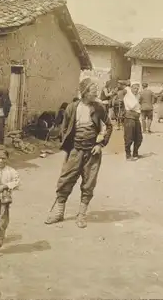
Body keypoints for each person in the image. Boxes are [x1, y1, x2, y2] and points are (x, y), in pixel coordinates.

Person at [45, 78, 113, 228]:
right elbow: (64, 129)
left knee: (89, 183)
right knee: (65, 179)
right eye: (92, 89)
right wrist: (68, 146)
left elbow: (108, 126)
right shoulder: (72, 108)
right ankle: (59, 212)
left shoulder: (99, 108)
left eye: (96, 89)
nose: (95, 91)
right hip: (75, 150)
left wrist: (100, 144)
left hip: (92, 152)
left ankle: (81, 215)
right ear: (85, 92)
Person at [123, 82, 143, 161]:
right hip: (129, 117)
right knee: (129, 137)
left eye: (137, 88)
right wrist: (137, 100)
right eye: (134, 88)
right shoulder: (127, 96)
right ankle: (128, 154)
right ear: (131, 88)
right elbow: (131, 106)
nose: (136, 90)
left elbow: (138, 107)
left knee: (139, 137)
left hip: (136, 117)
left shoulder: (137, 96)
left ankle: (135, 153)